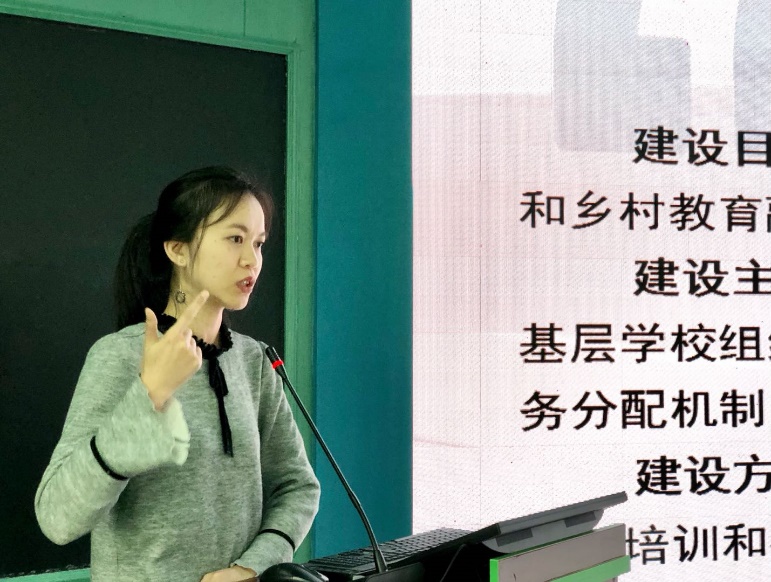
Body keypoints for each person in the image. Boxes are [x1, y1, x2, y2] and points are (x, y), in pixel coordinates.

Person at [35, 166, 320, 582]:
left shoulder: (254, 361)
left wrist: (252, 566)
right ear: (178, 249)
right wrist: (148, 394)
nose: (252, 260)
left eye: (259, 243)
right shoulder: (119, 356)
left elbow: (297, 487)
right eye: (235, 238)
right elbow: (57, 517)